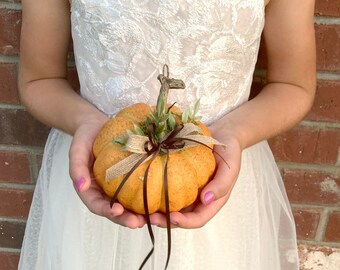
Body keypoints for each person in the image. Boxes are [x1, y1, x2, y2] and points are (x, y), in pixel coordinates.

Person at [18, 0, 316, 269]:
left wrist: (234, 134)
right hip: (100, 172)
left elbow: (293, 84)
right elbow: (41, 78)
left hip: (219, 181)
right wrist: (86, 123)